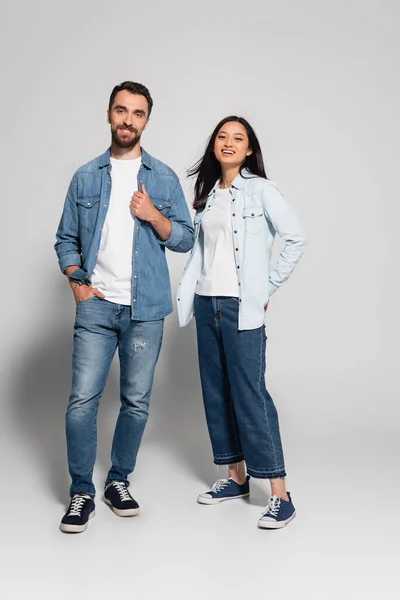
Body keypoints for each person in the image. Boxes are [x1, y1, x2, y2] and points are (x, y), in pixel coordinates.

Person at [55, 81, 194, 533]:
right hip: (96, 306)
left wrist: (154, 215)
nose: (128, 120)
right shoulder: (86, 176)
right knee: (82, 402)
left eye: (137, 113)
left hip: (145, 310)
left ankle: (118, 480)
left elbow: (187, 238)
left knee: (136, 402)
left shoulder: (164, 178)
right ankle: (81, 491)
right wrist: (76, 280)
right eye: (121, 110)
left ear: (147, 121)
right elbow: (65, 239)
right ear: (109, 115)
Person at [177, 116, 306, 529]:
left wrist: (265, 288)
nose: (229, 143)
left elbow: (296, 238)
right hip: (205, 302)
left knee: (249, 393)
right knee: (216, 391)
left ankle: (281, 494)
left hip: (239, 308)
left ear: (250, 149)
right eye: (222, 136)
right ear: (214, 144)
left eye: (238, 138)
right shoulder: (209, 194)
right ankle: (235, 477)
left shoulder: (262, 190)